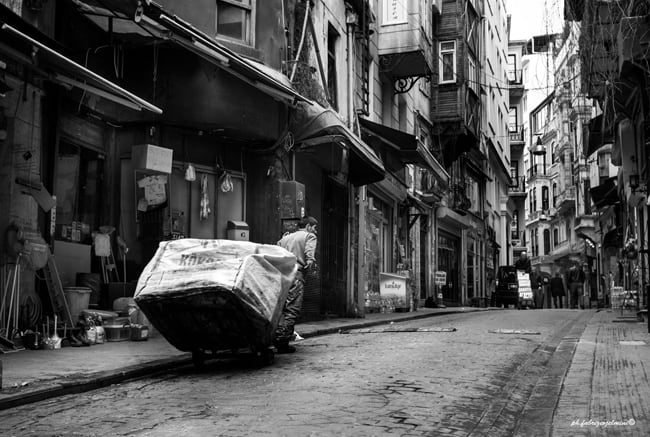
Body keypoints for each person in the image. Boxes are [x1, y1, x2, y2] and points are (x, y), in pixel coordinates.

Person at [274, 216, 318, 353]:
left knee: (279, 308)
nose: (315, 232)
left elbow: (276, 253)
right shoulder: (309, 236)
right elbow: (310, 257)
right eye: (315, 228)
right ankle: (282, 341)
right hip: (295, 275)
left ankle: (275, 335)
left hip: (281, 276)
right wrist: (310, 265)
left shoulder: (284, 238)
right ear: (309, 226)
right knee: (292, 308)